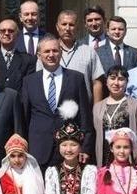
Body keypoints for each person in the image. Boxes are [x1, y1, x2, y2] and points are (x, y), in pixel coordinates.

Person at [21, 35, 93, 168]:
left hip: (70, 150)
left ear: (61, 53)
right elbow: (24, 118)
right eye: (47, 51)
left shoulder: (76, 79)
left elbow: (85, 116)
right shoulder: (29, 81)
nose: (51, 55)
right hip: (38, 150)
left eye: (55, 51)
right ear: (39, 55)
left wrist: (85, 147)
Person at [39, 10, 104, 102]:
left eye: (71, 25)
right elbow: (38, 80)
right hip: (53, 108)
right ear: (57, 27)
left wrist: (97, 110)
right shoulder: (47, 51)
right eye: (64, 24)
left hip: (81, 108)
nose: (67, 28)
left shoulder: (88, 51)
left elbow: (97, 83)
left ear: (77, 28)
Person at [92, 65, 137, 166]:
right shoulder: (98, 107)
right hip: (105, 160)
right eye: (112, 78)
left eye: (121, 79)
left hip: (128, 160)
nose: (116, 83)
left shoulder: (135, 105)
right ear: (106, 81)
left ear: (127, 83)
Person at [0, 18, 36, 93]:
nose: (6, 33)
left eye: (11, 31)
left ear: (17, 35)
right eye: (2, 31)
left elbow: (28, 88)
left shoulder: (28, 60)